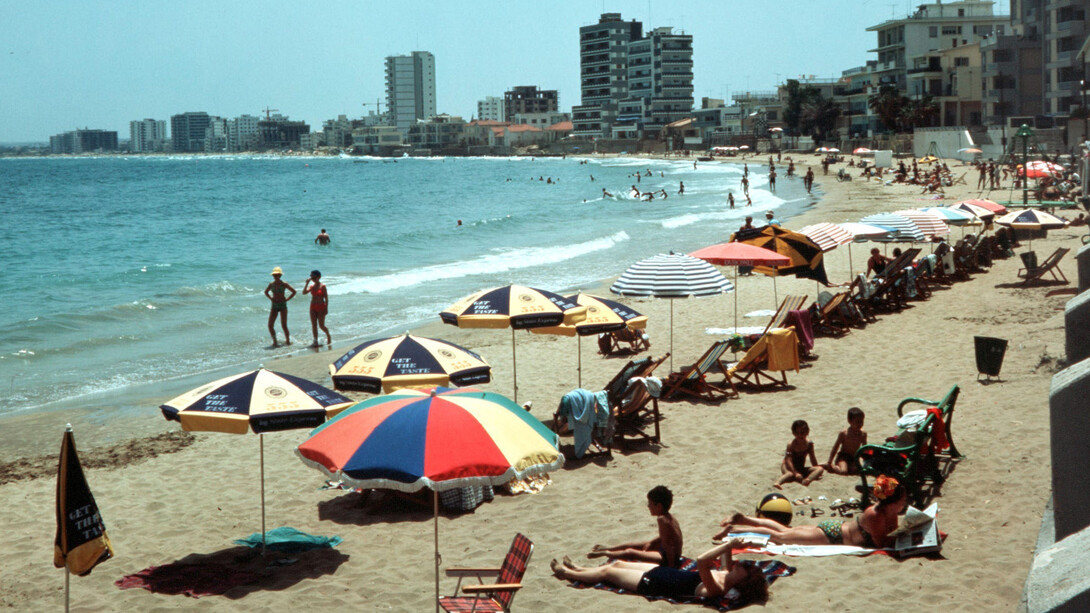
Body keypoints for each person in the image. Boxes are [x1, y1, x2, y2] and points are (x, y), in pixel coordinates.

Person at [551, 537, 769, 604]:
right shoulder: (726, 573)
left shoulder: (718, 588)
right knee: (616, 564)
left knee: (608, 573)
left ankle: (568, 574)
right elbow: (724, 556)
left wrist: (728, 546)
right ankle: (579, 568)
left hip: (654, 584)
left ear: (743, 581)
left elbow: (702, 561)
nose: (744, 563)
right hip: (662, 572)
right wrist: (736, 543)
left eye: (747, 567)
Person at [714, 476, 909, 549]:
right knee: (780, 538)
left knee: (785, 530)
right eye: (902, 500)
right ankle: (734, 531)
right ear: (892, 502)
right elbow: (882, 543)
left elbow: (891, 534)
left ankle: (744, 519)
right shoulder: (875, 515)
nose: (905, 503)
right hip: (832, 536)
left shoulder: (889, 512)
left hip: (836, 529)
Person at [587, 486, 684, 568]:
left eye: (650, 504)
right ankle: (610, 548)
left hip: (668, 556)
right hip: (665, 549)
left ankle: (606, 553)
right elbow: (665, 536)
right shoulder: (669, 517)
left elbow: (669, 546)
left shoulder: (662, 520)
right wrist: (651, 542)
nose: (648, 506)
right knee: (637, 545)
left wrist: (671, 567)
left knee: (631, 552)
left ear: (658, 506)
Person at [773, 419, 824, 489]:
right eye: (797, 433)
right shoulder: (791, 445)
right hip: (787, 466)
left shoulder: (809, 444)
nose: (800, 435)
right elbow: (788, 460)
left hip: (800, 467)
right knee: (790, 474)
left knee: (820, 469)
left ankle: (807, 480)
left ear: (807, 432)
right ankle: (777, 482)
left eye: (802, 433)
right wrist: (795, 473)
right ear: (793, 433)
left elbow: (812, 458)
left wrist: (816, 470)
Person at [823, 407, 868, 475]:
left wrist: (866, 461)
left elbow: (865, 449)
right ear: (849, 421)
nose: (860, 424)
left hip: (853, 458)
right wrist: (830, 461)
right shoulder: (844, 434)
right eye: (857, 422)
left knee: (856, 471)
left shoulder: (863, 434)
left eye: (861, 422)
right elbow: (835, 448)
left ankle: (849, 466)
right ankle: (830, 466)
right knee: (843, 471)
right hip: (843, 457)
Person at [264, 267, 296, 347]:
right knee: (270, 325)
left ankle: (288, 341)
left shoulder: (284, 284)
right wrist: (271, 298)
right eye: (274, 275)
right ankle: (275, 342)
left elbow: (294, 292)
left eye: (277, 275)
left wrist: (287, 299)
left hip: (283, 305)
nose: (276, 276)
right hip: (274, 305)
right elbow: (266, 292)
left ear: (280, 275)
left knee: (284, 325)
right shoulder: (271, 284)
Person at [303, 269, 331, 347]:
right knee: (314, 325)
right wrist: (306, 283)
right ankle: (315, 341)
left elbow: (326, 298)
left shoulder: (323, 286)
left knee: (321, 325)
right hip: (313, 307)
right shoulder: (311, 286)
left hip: (321, 307)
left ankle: (328, 335)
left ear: (319, 277)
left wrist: (326, 308)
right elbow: (304, 293)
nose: (312, 279)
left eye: (314, 277)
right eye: (311, 277)